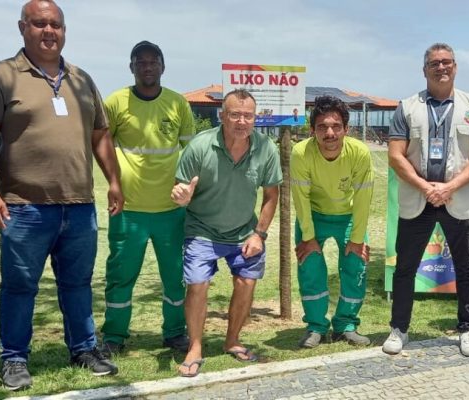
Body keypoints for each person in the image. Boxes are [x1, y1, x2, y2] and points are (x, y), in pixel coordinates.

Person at [0, 0, 123, 391]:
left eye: (56, 24)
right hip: (24, 207)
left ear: (64, 31)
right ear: (23, 28)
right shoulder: (0, 75)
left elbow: (100, 135)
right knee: (19, 286)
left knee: (78, 283)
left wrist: (114, 181)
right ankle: (14, 358)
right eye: (39, 24)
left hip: (80, 206)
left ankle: (84, 349)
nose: (48, 31)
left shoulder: (82, 79)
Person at [384, 43, 469, 357]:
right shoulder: (406, 107)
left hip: (459, 200)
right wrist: (426, 187)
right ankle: (399, 328)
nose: (441, 67)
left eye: (447, 62)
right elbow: (396, 156)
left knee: (467, 268)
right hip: (418, 199)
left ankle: (468, 328)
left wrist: (448, 188)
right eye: (434, 63)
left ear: (455, 67)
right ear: (425, 70)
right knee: (405, 268)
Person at [170, 89, 282, 377]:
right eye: (234, 114)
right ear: (222, 116)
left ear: (256, 119)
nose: (241, 121)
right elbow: (182, 189)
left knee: (246, 282)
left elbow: (271, 195)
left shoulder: (266, 148)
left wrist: (259, 234)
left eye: (248, 116)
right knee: (197, 283)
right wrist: (182, 196)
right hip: (202, 229)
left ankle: (232, 340)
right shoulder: (199, 146)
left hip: (245, 230)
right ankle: (195, 347)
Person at [98, 41, 195, 357]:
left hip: (170, 210)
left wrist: (188, 192)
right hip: (128, 210)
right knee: (120, 277)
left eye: (154, 62)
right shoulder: (115, 102)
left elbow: (191, 153)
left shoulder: (178, 104)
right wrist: (113, 181)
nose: (148, 67)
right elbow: (99, 142)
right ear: (132, 67)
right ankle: (114, 335)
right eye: (141, 62)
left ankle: (174, 333)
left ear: (163, 67)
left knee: (175, 277)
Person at [291, 95, 374, 349]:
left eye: (336, 127)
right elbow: (300, 198)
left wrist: (357, 239)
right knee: (311, 265)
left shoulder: (359, 152)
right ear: (312, 130)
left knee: (355, 265)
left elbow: (363, 198)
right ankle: (316, 326)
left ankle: (346, 325)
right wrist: (308, 237)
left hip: (348, 216)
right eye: (322, 127)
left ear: (346, 130)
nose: (330, 133)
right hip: (313, 215)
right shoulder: (301, 152)